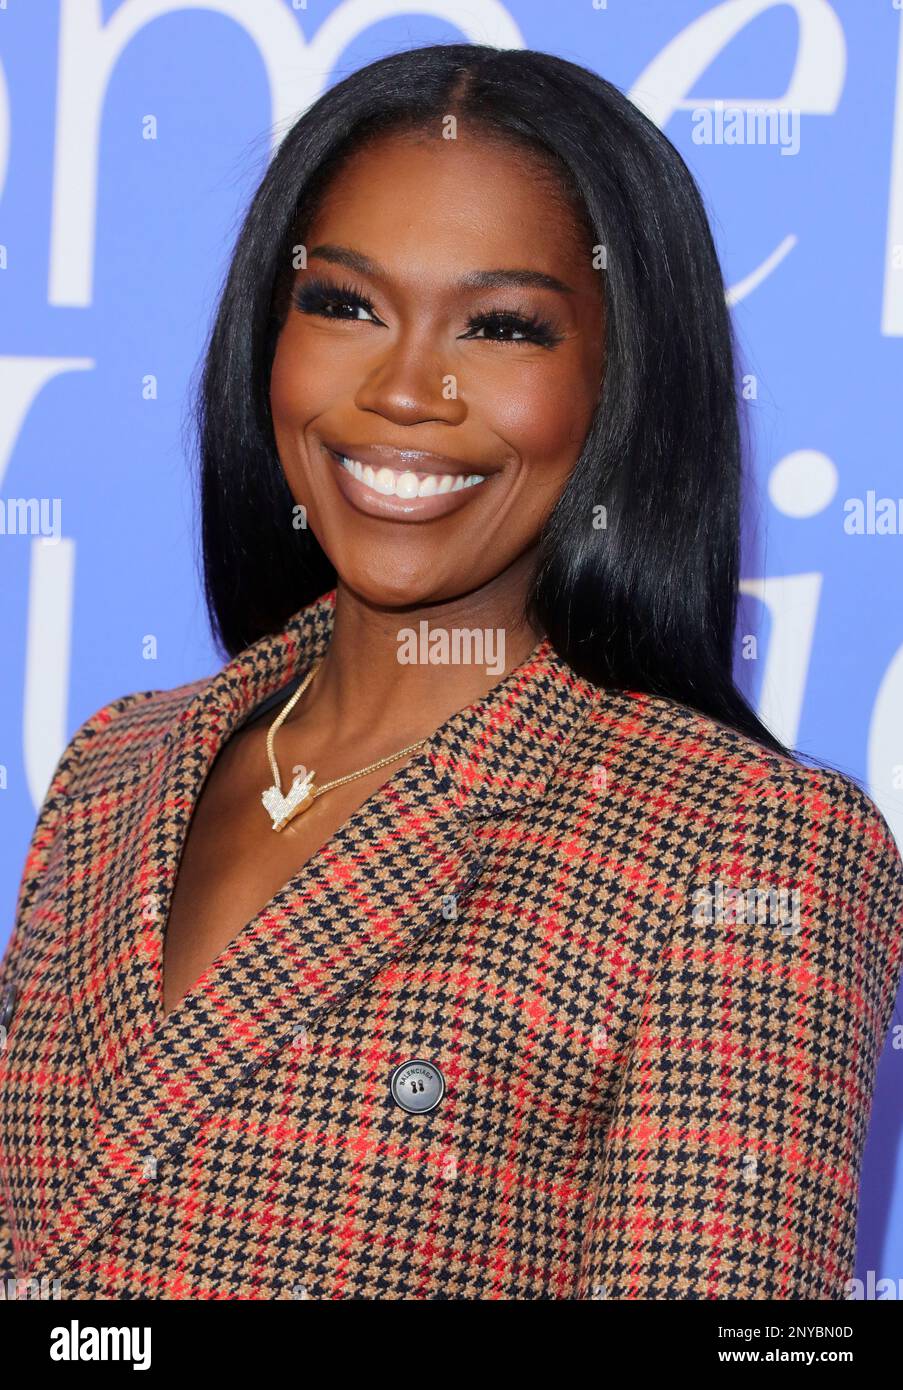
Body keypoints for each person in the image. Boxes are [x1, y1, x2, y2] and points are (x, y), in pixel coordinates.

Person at [1, 43, 901, 1301]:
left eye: (501, 327)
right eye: (346, 305)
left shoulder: (745, 847)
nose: (404, 390)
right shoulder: (115, 766)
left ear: (618, 384)